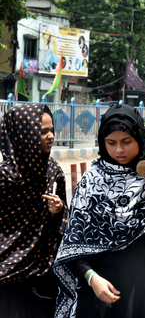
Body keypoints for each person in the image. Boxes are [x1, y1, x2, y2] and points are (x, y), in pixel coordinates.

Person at [53, 104, 145, 318]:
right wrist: (91, 278)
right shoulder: (92, 181)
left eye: (126, 142)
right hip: (105, 294)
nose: (119, 150)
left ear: (140, 139)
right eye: (111, 143)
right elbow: (73, 244)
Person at [0, 104, 67, 318]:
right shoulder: (4, 178)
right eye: (42, 132)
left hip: (41, 274)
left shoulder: (53, 172)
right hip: (5, 279)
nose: (50, 137)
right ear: (22, 134)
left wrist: (58, 212)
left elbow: (65, 224)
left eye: (52, 131)